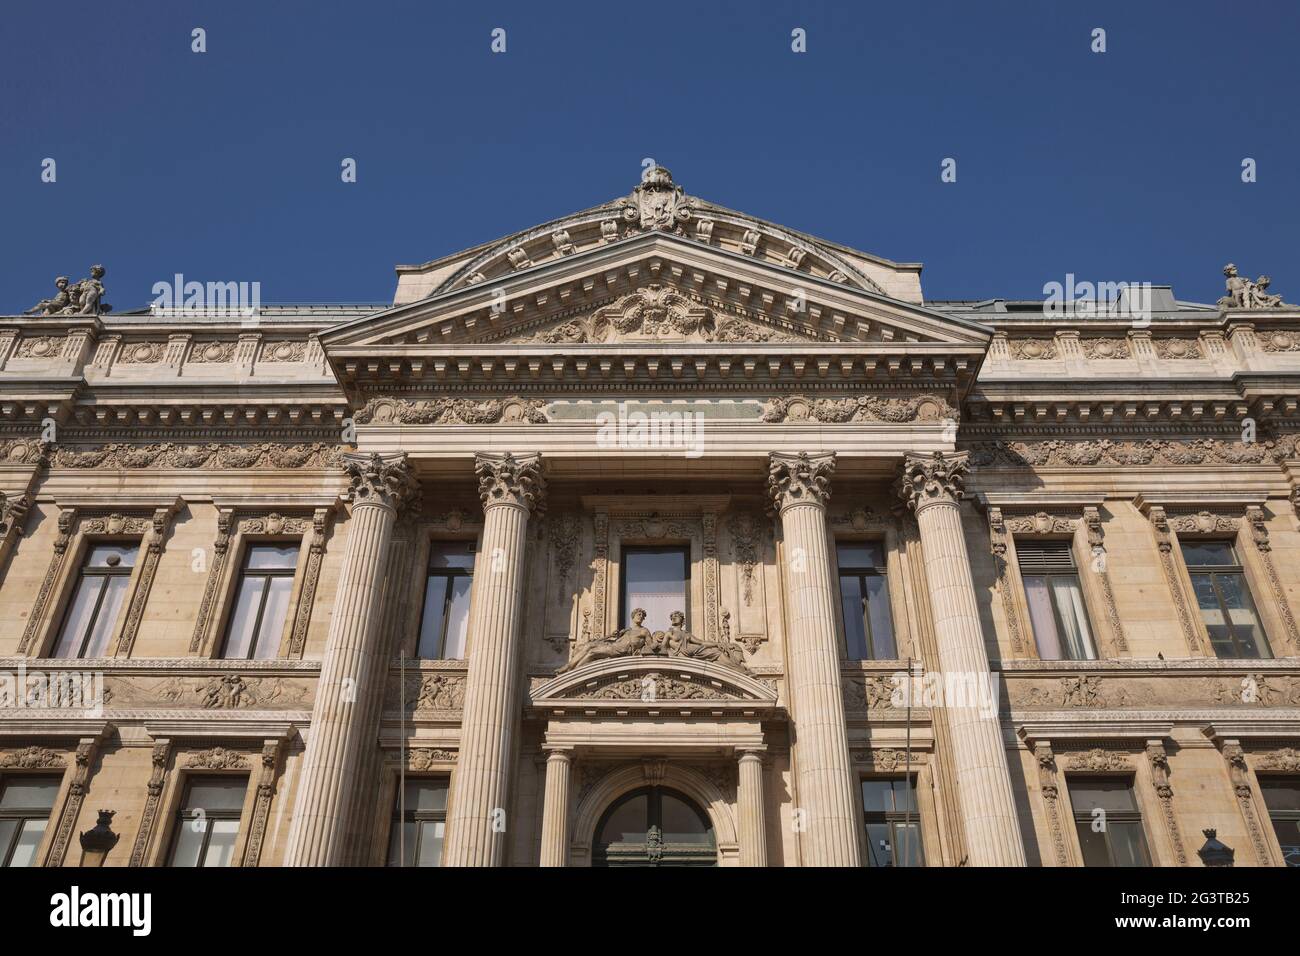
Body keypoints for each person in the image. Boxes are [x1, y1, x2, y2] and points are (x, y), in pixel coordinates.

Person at [557, 607, 654, 673]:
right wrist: (613, 635)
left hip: (622, 650)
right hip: (615, 645)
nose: (640, 616)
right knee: (589, 646)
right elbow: (613, 639)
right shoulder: (628, 630)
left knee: (592, 652)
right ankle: (569, 666)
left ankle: (574, 670)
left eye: (642, 615)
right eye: (638, 614)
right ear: (633, 617)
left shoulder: (644, 631)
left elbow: (651, 646)